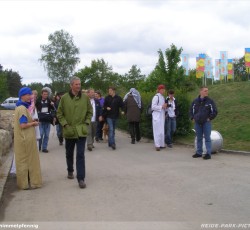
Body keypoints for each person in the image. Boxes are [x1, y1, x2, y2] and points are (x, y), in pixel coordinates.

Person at [57, 76, 92, 189]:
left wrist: (86, 122)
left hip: (81, 130)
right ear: (71, 85)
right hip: (69, 130)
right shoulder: (64, 98)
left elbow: (90, 111)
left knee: (80, 154)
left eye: (79, 84)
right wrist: (65, 124)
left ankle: (81, 178)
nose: (78, 86)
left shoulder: (85, 98)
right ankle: (70, 170)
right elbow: (59, 113)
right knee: (69, 153)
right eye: (76, 84)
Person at [14, 87, 42, 190]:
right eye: (29, 95)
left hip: (23, 138)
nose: (30, 96)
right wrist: (34, 123)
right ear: (23, 95)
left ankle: (24, 183)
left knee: (23, 160)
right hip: (25, 138)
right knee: (29, 160)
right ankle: (32, 182)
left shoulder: (20, 107)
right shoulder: (22, 108)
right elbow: (23, 125)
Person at [189, 86, 218, 160]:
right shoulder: (195, 101)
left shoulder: (210, 101)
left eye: (207, 91)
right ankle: (199, 152)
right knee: (199, 138)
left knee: (207, 138)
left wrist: (210, 118)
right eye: (205, 91)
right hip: (197, 122)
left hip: (206, 122)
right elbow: (191, 110)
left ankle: (208, 154)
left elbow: (214, 111)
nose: (207, 92)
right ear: (201, 91)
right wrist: (192, 118)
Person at [35, 88, 55, 153]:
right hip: (40, 119)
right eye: (44, 94)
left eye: (46, 94)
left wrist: (52, 105)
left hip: (47, 119)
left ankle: (44, 148)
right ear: (41, 94)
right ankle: (39, 146)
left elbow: (53, 109)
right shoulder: (38, 101)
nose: (45, 95)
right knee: (40, 134)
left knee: (46, 135)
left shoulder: (49, 101)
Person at [152, 84, 167, 151]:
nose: (163, 90)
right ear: (159, 90)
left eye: (164, 89)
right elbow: (153, 107)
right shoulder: (156, 97)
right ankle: (157, 145)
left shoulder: (163, 97)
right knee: (157, 131)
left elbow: (163, 107)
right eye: (162, 89)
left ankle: (161, 144)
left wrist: (166, 106)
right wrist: (161, 107)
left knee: (161, 131)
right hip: (157, 116)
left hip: (161, 116)